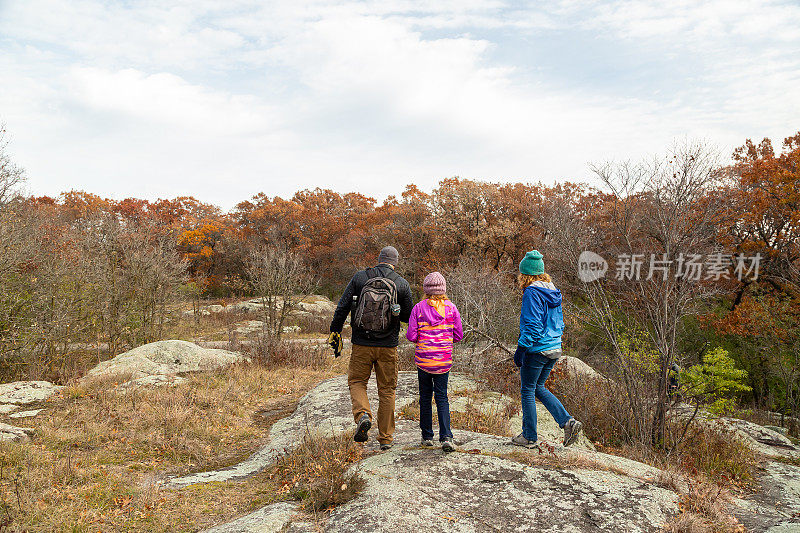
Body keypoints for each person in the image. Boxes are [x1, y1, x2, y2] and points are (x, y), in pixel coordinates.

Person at [329, 246, 413, 450]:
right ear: (396, 261)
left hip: (361, 344)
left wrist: (335, 331)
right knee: (387, 390)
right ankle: (385, 438)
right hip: (388, 346)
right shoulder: (401, 283)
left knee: (357, 381)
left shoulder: (360, 278)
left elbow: (342, 307)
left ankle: (363, 415)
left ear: (379, 259)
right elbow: (409, 317)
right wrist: (396, 312)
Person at [511, 250, 583, 449]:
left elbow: (533, 326)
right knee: (539, 388)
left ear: (525, 274)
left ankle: (529, 436)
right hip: (554, 348)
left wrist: (521, 349)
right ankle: (568, 422)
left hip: (537, 349)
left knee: (527, 390)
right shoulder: (552, 290)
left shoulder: (532, 293)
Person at [406, 272, 463, 453]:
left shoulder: (418, 308)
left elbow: (411, 335)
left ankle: (427, 436)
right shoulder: (451, 308)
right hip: (443, 361)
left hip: (424, 360)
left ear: (426, 290)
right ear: (443, 289)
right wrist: (444, 340)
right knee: (442, 397)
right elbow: (458, 335)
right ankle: (446, 436)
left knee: (425, 398)